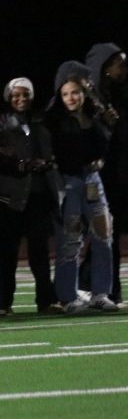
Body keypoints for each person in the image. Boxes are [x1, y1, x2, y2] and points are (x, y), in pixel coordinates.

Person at [0, 77, 61, 315]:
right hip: (8, 196)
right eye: (16, 95)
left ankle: (46, 301)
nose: (21, 99)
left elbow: (51, 153)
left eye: (26, 94)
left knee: (40, 252)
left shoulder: (39, 121)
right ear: (8, 97)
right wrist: (22, 165)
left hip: (37, 195)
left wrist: (46, 164)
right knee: (8, 253)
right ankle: (3, 302)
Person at [45, 74, 118, 313]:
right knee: (71, 240)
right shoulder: (55, 121)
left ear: (84, 94)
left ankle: (100, 294)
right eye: (65, 94)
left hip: (93, 180)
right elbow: (60, 154)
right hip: (69, 182)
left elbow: (104, 147)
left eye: (75, 92)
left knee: (103, 236)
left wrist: (100, 160)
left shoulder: (95, 118)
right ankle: (68, 297)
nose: (71, 98)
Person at [84, 43, 126, 304]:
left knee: (110, 232)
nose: (124, 69)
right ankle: (97, 287)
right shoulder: (90, 98)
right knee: (99, 233)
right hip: (96, 175)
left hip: (115, 174)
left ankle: (103, 287)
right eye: (120, 64)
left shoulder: (113, 95)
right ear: (105, 67)